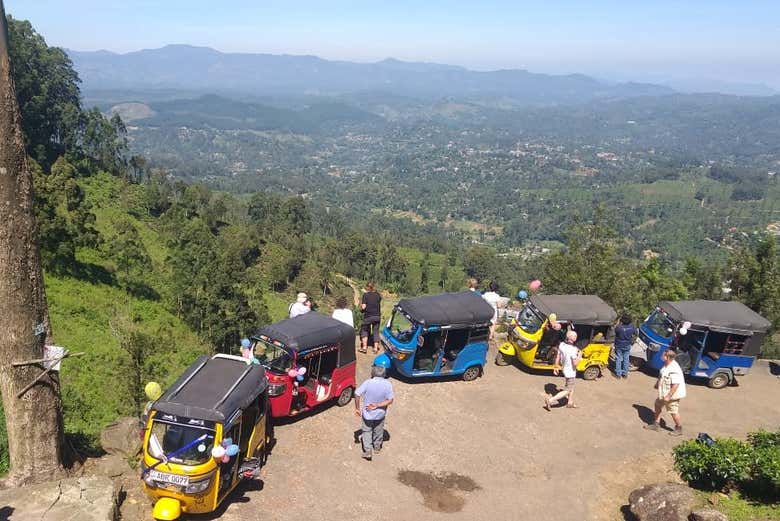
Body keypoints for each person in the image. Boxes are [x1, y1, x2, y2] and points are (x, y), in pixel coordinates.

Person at [354, 360, 394, 461]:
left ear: (373, 373)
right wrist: (377, 405)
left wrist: (357, 408)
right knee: (378, 430)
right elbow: (390, 400)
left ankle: (367, 451)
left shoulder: (368, 383)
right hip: (380, 414)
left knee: (367, 431)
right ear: (384, 374)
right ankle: (377, 448)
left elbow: (357, 394)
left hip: (367, 414)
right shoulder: (388, 384)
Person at [644, 349, 686, 436]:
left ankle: (679, 428)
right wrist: (657, 384)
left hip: (671, 395)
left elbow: (676, 384)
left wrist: (669, 396)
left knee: (673, 411)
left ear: (667, 357)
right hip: (663, 393)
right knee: (657, 405)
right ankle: (656, 424)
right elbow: (662, 375)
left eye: (663, 355)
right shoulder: (667, 365)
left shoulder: (674, 369)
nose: (661, 356)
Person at [544, 330, 581, 411]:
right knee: (567, 390)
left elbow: (558, 356)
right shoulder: (573, 350)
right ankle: (550, 400)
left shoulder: (562, 345)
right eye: (575, 336)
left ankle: (570, 402)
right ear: (572, 338)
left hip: (564, 369)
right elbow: (575, 363)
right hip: (570, 372)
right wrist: (579, 356)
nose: (576, 337)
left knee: (571, 386)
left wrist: (556, 367)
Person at [360, 283, 382, 354]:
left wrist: (361, 308)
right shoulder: (378, 295)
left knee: (364, 329)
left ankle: (364, 348)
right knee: (376, 331)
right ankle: (375, 349)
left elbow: (363, 307)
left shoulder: (365, 295)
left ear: (367, 288)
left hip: (368, 316)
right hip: (377, 316)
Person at [613, 314, 637, 379]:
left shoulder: (619, 327)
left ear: (622, 320)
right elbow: (636, 333)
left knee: (618, 358)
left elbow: (615, 331)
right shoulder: (632, 327)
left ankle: (618, 374)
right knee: (626, 359)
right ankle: (625, 374)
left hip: (619, 344)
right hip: (627, 344)